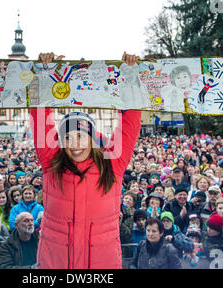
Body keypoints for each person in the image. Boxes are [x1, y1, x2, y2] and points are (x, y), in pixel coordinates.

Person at [31, 51, 141, 269]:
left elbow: (129, 125)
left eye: (81, 136)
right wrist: (45, 76)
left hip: (101, 264)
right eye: (68, 138)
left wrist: (129, 80)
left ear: (92, 139)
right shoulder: (52, 164)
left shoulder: (111, 165)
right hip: (56, 263)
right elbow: (40, 116)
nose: (75, 143)